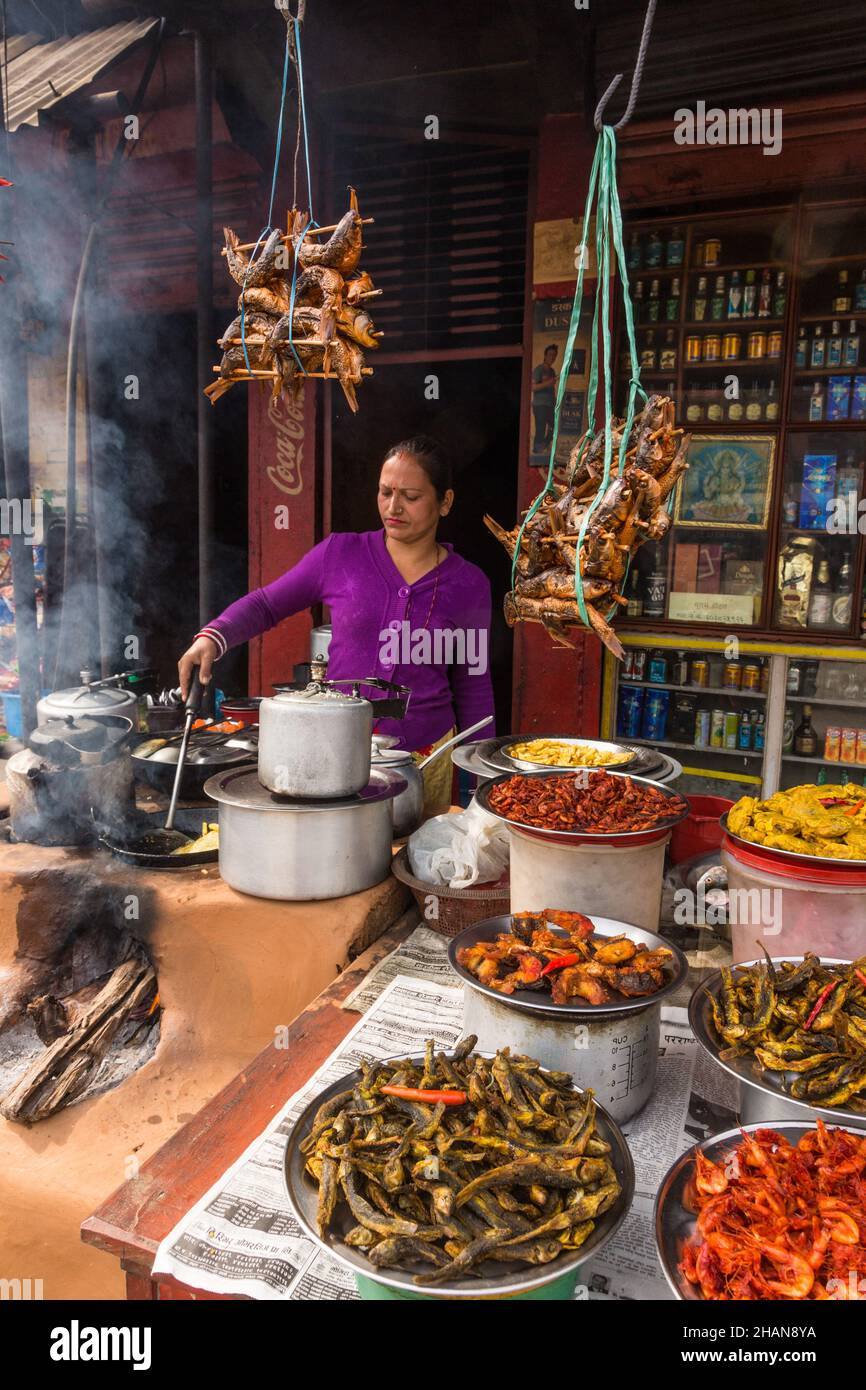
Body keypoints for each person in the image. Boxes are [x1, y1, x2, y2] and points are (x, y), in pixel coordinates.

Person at [178, 435, 495, 816]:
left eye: (410, 496)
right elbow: (266, 604)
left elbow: (473, 685)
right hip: (337, 754)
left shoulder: (469, 584)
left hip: (428, 762)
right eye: (384, 492)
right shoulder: (341, 555)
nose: (393, 507)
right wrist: (214, 637)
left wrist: (481, 791)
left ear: (445, 502)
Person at [531, 343, 559, 454]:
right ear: (545, 355)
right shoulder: (539, 370)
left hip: (550, 404)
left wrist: (555, 401)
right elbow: (532, 387)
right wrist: (548, 383)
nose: (552, 357)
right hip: (540, 405)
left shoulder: (552, 371)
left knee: (554, 427)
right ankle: (537, 451)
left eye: (554, 355)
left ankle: (544, 445)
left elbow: (551, 389)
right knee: (540, 429)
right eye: (550, 354)